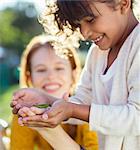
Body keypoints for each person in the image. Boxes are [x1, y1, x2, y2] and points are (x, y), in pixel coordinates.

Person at [11, 0, 140, 149]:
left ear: (123, 4)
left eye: (90, 19)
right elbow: (84, 103)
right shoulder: (97, 53)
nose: (84, 34)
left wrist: (72, 110)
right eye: (78, 24)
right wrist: (48, 101)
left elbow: (136, 118)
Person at [10, 34, 98, 150]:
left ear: (74, 74)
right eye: (41, 70)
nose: (51, 76)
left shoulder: (87, 110)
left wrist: (51, 132)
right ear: (30, 77)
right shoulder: (24, 115)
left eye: (59, 68)